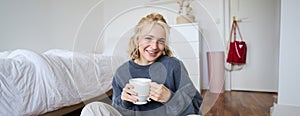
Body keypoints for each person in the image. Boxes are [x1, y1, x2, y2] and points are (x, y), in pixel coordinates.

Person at [81, 13, 202, 116]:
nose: (154, 46)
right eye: (148, 38)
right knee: (91, 109)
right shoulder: (121, 72)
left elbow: (196, 107)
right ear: (137, 39)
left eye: (161, 41)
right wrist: (124, 101)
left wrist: (170, 97)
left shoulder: (174, 66)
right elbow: (116, 111)